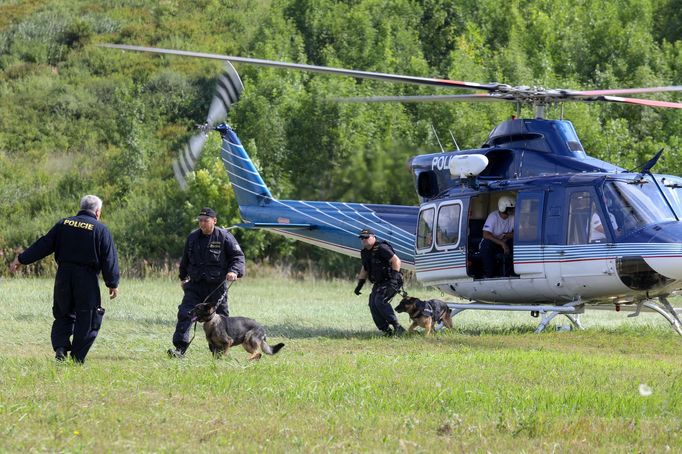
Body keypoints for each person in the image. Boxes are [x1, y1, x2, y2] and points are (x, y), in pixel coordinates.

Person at [8, 195, 119, 363]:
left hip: (64, 276)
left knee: (63, 313)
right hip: (86, 278)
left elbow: (43, 245)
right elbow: (109, 258)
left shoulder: (63, 224)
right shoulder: (100, 229)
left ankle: (60, 348)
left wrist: (21, 259)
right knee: (87, 317)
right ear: (98, 212)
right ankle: (76, 358)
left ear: (81, 207)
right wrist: (112, 283)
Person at [168, 207, 245, 358]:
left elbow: (238, 257)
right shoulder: (192, 238)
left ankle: (218, 352)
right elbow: (185, 260)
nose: (202, 223)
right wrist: (183, 278)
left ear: (214, 221)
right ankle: (180, 350)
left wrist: (234, 271)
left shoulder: (224, 237)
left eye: (206, 221)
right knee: (185, 313)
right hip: (195, 286)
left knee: (220, 320)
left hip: (216, 286)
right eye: (200, 221)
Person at [353, 228, 406, 336]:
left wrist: (394, 280)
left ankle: (397, 327)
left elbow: (396, 261)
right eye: (362, 238)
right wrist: (360, 285)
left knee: (380, 300)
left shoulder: (382, 247)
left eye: (366, 237)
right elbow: (365, 269)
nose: (364, 240)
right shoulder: (364, 252)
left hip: (391, 280)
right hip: (379, 282)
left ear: (373, 237)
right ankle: (386, 330)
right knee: (372, 304)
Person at [479, 195, 515, 278]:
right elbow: (486, 234)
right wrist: (502, 243)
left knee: (514, 242)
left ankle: (512, 273)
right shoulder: (493, 216)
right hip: (493, 244)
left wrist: (511, 235)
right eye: (510, 208)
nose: (512, 210)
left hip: (505, 242)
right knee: (486, 245)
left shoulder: (512, 217)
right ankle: (489, 275)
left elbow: (520, 233)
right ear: (503, 208)